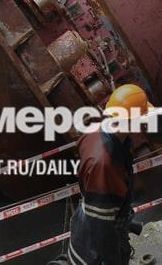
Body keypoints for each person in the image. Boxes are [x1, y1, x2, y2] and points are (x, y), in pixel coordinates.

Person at [59, 84, 150, 265]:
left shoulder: (95, 132)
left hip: (87, 227)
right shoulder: (104, 165)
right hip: (94, 251)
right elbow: (101, 227)